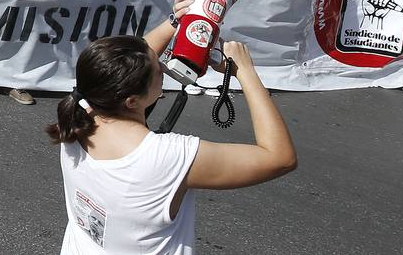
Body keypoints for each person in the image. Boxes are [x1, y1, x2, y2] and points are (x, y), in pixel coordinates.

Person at [49, 26, 296, 254]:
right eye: (158, 70)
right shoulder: (168, 156)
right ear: (132, 101)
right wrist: (245, 71)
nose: (165, 69)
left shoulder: (77, 118)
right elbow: (279, 157)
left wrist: (175, 21)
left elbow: (118, 66)